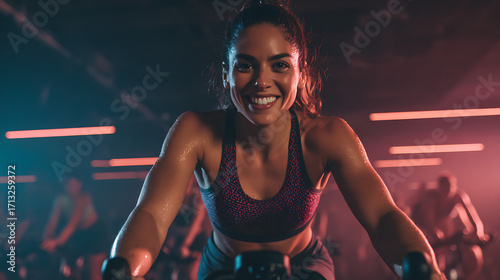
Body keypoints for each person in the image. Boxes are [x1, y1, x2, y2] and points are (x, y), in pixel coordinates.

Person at [108, 1, 445, 279]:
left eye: (280, 65)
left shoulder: (328, 137)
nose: (262, 82)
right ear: (226, 74)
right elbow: (151, 214)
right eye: (245, 66)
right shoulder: (194, 132)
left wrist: (422, 267)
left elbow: (384, 217)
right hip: (222, 269)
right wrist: (123, 269)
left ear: (301, 73)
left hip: (304, 268)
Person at [411, 171, 491, 279]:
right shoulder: (431, 198)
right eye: (445, 188)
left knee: (449, 246)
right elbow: (428, 222)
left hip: (442, 223)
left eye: (450, 187)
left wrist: (478, 233)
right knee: (436, 254)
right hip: (423, 225)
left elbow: (474, 219)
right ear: (439, 188)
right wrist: (439, 237)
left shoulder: (458, 196)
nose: (448, 191)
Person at [41, 175, 107, 280]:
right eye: (67, 184)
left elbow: (73, 222)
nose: (69, 187)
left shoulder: (84, 198)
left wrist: (57, 242)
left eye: (72, 184)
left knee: (94, 273)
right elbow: (52, 222)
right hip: (77, 235)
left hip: (95, 234)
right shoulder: (60, 199)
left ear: (79, 184)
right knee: (69, 271)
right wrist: (46, 240)